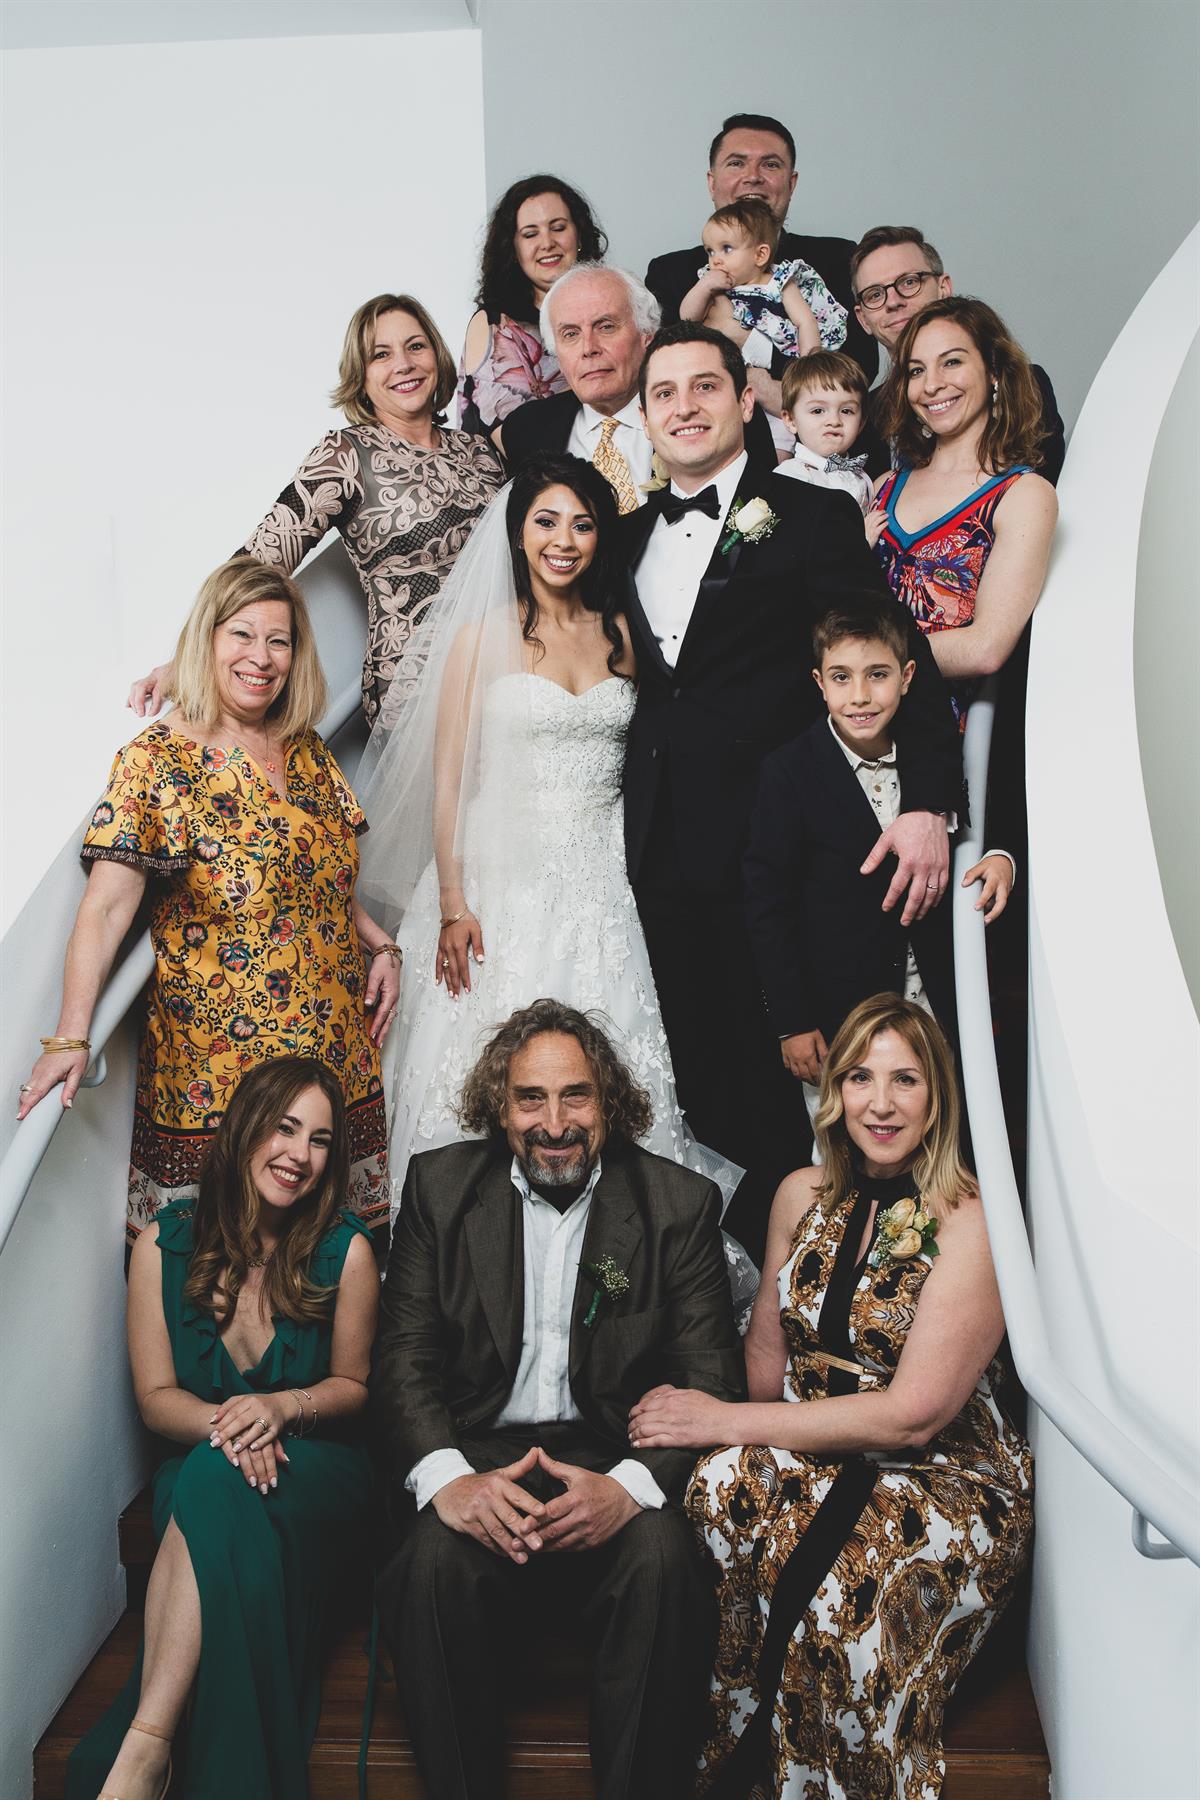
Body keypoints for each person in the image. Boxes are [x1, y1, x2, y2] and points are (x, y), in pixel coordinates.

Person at [628, 995, 1033, 1799]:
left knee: (839, 1591)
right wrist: (680, 1393)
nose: (880, 1103)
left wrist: (722, 1419)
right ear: (834, 1092)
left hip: (946, 1475)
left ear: (938, 1096)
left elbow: (913, 1416)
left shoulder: (972, 1221)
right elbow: (763, 1364)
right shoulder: (799, 1194)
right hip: (816, 1452)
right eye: (859, 1078)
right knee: (717, 1483)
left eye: (905, 1080)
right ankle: (734, 1757)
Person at [620, 322, 962, 1259]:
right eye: (664, 393)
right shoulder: (624, 536)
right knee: (701, 1085)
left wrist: (927, 804)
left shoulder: (808, 517)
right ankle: (740, 1292)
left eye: (704, 386)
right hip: (660, 862)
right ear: (645, 416)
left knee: (805, 1088)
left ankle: (839, 1292)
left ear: (745, 399)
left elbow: (903, 658)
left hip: (785, 863)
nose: (684, 407)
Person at [354, 454, 747, 1245]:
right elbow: (448, 783)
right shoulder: (481, 637)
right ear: (518, 533)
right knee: (477, 1075)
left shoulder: (622, 634)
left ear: (601, 537)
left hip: (602, 884)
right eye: (546, 521)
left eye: (582, 524)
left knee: (612, 1068)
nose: (563, 540)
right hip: (494, 883)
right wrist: (455, 903)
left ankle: (616, 1263)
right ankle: (465, 1256)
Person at [372, 999, 744, 1800]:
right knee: (429, 1563)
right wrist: (451, 1481)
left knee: (664, 1561)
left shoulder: (678, 1205)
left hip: (611, 1456)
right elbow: (403, 1358)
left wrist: (629, 1488)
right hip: (481, 1454)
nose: (554, 1123)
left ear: (609, 1101)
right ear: (499, 1107)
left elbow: (712, 1377)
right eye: (530, 1098)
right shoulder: (440, 1189)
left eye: (576, 1095)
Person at [20, 558, 397, 1243]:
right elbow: (105, 910)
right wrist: (70, 1036)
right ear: (207, 640)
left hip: (335, 1055)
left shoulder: (307, 751)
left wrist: (382, 945)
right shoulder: (157, 761)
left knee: (332, 1266)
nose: (261, 657)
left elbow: (321, 884)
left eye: (279, 641)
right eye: (242, 635)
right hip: (222, 1070)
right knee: (215, 1268)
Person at [67, 1056, 380, 1800]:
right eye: (285, 1128)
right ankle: (161, 1749)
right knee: (206, 1477)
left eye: (320, 1140)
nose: (299, 1155)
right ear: (244, 1128)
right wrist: (236, 1428)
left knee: (205, 1476)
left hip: (318, 1475)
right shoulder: (161, 1246)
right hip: (213, 1463)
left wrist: (279, 1409)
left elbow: (354, 1389)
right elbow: (155, 1399)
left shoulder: (347, 1249)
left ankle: (146, 1748)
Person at [128, 293, 504, 724]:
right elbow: (256, 564)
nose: (403, 364)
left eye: (415, 346)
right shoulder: (344, 456)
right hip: (419, 685)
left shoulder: (480, 452)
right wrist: (180, 663)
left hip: (507, 664)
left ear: (437, 355)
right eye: (381, 354)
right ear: (361, 375)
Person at [744, 600, 1014, 1122]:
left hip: (937, 999)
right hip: (841, 1008)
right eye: (841, 677)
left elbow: (987, 815)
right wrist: (792, 1021)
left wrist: (1001, 857)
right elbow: (767, 907)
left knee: (944, 1126)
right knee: (851, 1135)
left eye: (878, 675)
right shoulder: (787, 773)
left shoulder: (932, 759)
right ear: (819, 682)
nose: (860, 696)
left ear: (908, 677)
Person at [868, 296, 1059, 727]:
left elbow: (985, 647)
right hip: (840, 719)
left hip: (934, 732)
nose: (931, 385)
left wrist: (857, 661)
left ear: (993, 371)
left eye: (951, 362)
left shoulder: (1023, 494)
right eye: (916, 370)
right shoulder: (882, 487)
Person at [503, 263, 779, 501]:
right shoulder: (525, 431)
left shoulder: (720, 413)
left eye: (606, 327)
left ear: (647, 336)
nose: (589, 348)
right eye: (570, 334)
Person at [646, 112, 879, 394]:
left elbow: (858, 369)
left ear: (791, 184)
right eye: (736, 163)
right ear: (712, 183)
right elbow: (665, 376)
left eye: (770, 164)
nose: (753, 177)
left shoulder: (838, 258)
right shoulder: (670, 273)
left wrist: (748, 341)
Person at [851, 225, 1067, 482]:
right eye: (875, 294)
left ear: (943, 287)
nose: (893, 301)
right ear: (863, 319)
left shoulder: (1022, 385)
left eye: (909, 282)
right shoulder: (859, 417)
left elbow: (1041, 484)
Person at [457, 173, 606, 447]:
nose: (547, 243)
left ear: (579, 235)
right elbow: (517, 443)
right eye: (530, 234)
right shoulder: (495, 324)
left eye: (558, 228)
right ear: (513, 249)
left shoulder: (611, 308)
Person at [774, 350, 875, 512]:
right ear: (791, 420)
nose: (834, 421)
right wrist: (863, 530)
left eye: (846, 411)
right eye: (818, 411)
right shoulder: (790, 476)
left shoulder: (862, 478)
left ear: (861, 423)